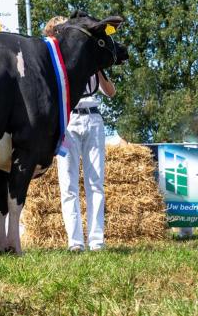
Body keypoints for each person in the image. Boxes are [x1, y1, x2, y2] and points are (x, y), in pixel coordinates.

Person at [46, 16, 116, 252]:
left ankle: (96, 240)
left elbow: (111, 92)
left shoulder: (88, 59)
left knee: (95, 181)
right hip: (69, 118)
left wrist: (99, 68)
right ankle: (75, 241)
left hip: (93, 116)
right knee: (68, 184)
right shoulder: (55, 61)